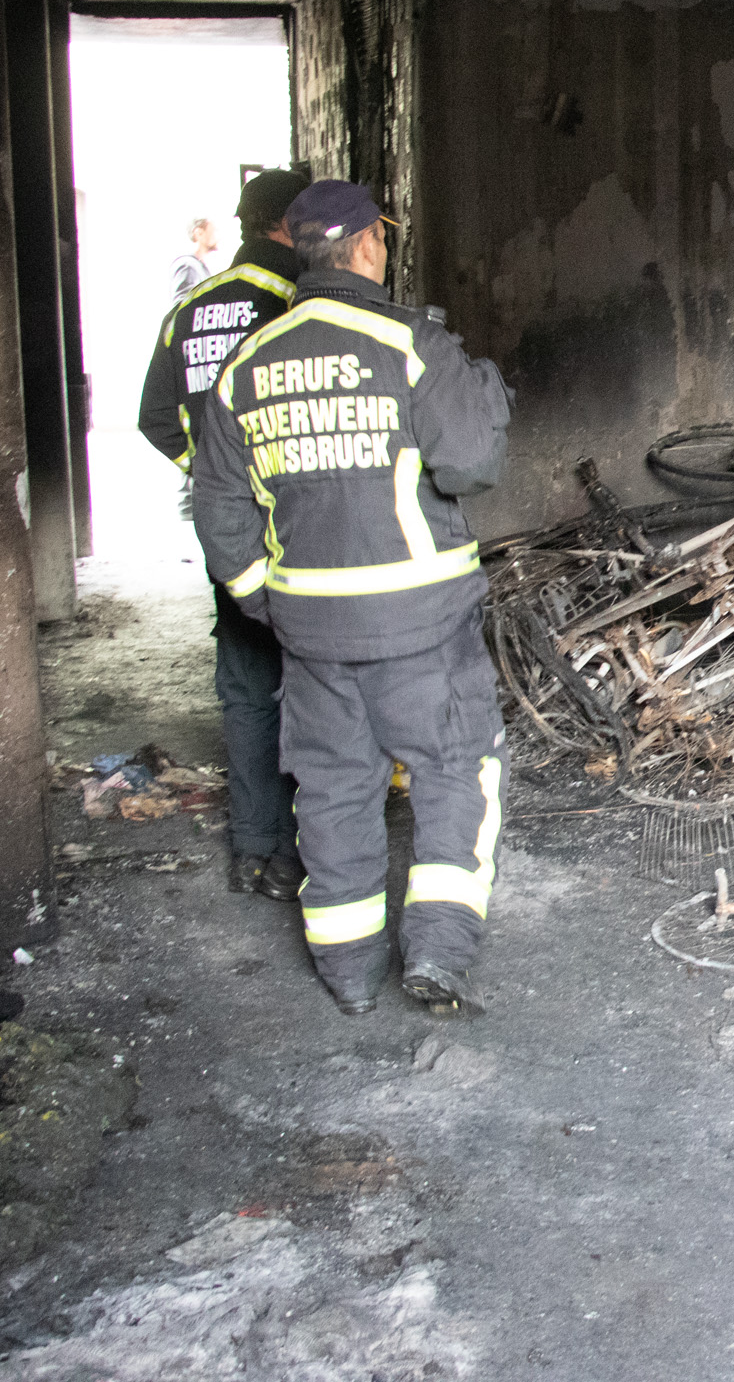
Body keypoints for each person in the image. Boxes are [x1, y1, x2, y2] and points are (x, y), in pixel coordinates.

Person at [191, 180, 513, 1018]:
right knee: (454, 768)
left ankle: (349, 972)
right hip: (422, 623)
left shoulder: (245, 366)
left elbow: (219, 512)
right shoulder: (409, 343)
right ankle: (438, 953)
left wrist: (269, 598)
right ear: (370, 243)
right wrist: (483, 390)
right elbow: (470, 463)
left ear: (300, 248)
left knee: (332, 787)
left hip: (312, 632)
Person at [139, 168, 312, 896]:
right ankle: (305, 854)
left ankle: (251, 847)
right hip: (300, 521)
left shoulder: (191, 309)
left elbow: (155, 417)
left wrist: (215, 477)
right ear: (289, 227)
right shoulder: (301, 306)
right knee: (316, 682)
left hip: (225, 524)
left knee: (244, 684)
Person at [169, 216, 219, 299]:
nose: (218, 237)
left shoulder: (197, 266)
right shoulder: (189, 265)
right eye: (214, 230)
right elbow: (182, 305)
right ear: (199, 233)